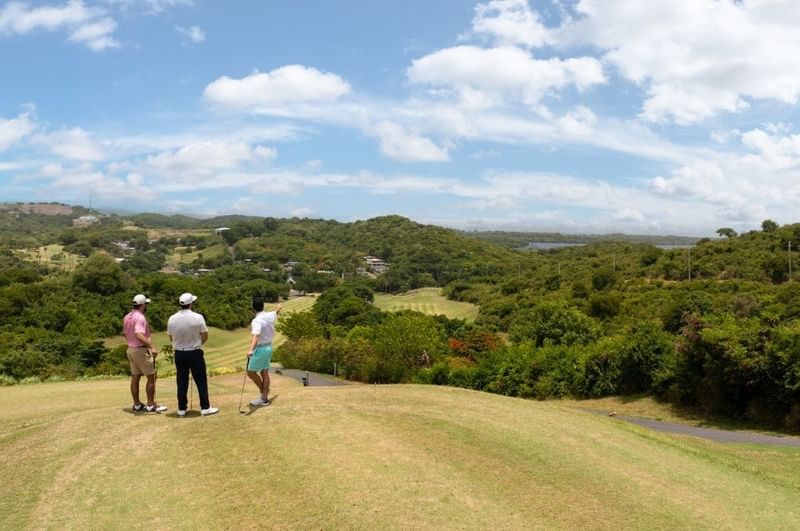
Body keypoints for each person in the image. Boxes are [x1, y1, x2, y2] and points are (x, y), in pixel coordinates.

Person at [167, 292, 218, 417]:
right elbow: (205, 335)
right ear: (191, 304)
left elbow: (170, 337)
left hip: (179, 353)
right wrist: (198, 343)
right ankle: (205, 407)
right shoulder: (198, 317)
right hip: (194, 352)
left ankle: (181, 409)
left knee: (182, 381)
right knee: (200, 380)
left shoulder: (172, 318)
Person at [123, 294, 167, 413]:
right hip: (140, 350)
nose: (147, 306)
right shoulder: (140, 317)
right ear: (142, 305)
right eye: (146, 304)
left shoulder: (127, 316)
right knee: (151, 377)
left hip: (130, 350)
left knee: (135, 378)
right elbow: (139, 334)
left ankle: (137, 404)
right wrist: (150, 346)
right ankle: (151, 404)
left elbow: (126, 333)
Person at [246, 298, 281, 406]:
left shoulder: (256, 321)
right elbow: (277, 311)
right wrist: (279, 306)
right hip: (268, 347)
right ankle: (264, 398)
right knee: (264, 372)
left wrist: (250, 350)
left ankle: (263, 392)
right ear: (263, 306)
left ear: (253, 308)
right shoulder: (269, 315)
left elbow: (256, 336)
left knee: (250, 372)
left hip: (260, 349)